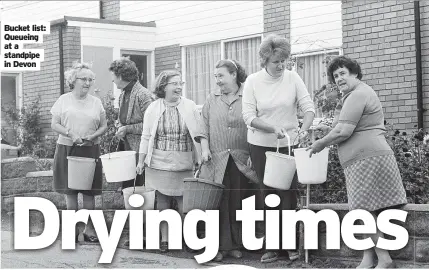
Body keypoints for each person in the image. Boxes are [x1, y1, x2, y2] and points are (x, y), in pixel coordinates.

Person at [307, 56, 407, 269]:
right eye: (335, 76)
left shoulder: (358, 94)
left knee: (364, 210)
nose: (339, 78)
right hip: (361, 159)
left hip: (367, 158)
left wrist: (320, 144)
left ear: (354, 73)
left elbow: (343, 131)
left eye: (343, 73)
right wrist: (327, 130)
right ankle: (368, 258)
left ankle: (385, 259)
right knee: (364, 209)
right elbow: (340, 126)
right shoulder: (351, 96)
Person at [242, 34, 315, 263]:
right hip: (261, 146)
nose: (281, 65)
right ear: (264, 60)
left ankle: (290, 245)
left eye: (284, 60)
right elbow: (248, 117)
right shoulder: (253, 81)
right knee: (268, 194)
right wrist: (272, 127)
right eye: (276, 61)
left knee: (288, 194)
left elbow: (308, 108)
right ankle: (272, 246)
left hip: (288, 145)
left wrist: (303, 129)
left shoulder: (293, 78)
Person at [136, 70, 205, 252]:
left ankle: (185, 237)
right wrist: (140, 161)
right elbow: (145, 136)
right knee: (163, 200)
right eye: (174, 83)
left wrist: (202, 156)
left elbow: (199, 134)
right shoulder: (153, 108)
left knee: (185, 200)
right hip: (158, 162)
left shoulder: (190, 106)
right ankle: (166, 239)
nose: (178, 86)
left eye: (180, 83)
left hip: (184, 160)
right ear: (163, 87)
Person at [198, 59, 259, 262]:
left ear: (234, 74)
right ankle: (217, 246)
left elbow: (254, 125)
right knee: (217, 203)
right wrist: (205, 149)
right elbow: (203, 125)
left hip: (241, 159)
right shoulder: (211, 98)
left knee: (237, 202)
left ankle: (234, 245)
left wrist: (252, 153)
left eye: (221, 76)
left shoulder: (248, 95)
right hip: (216, 159)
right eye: (215, 77)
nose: (217, 81)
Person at [50, 62, 108, 243]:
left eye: (91, 79)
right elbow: (54, 124)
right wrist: (71, 133)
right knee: (71, 192)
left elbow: (104, 125)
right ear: (73, 80)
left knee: (89, 192)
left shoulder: (96, 102)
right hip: (67, 148)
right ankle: (73, 230)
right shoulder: (63, 100)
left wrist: (93, 136)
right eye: (84, 79)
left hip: (90, 148)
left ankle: (89, 230)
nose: (88, 83)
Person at [109, 57, 153, 190]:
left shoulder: (143, 94)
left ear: (121, 76)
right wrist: (119, 125)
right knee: (127, 188)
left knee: (139, 190)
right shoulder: (123, 94)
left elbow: (151, 125)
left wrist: (127, 128)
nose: (112, 80)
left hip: (141, 152)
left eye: (114, 76)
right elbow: (121, 119)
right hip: (127, 151)